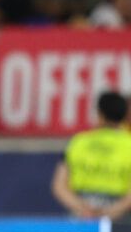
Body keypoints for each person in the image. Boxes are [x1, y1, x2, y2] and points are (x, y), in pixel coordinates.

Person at [52, 92, 131, 220]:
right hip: (118, 218)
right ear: (125, 116)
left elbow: (59, 186)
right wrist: (108, 211)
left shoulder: (78, 142)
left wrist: (82, 208)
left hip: (81, 214)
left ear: (100, 115)